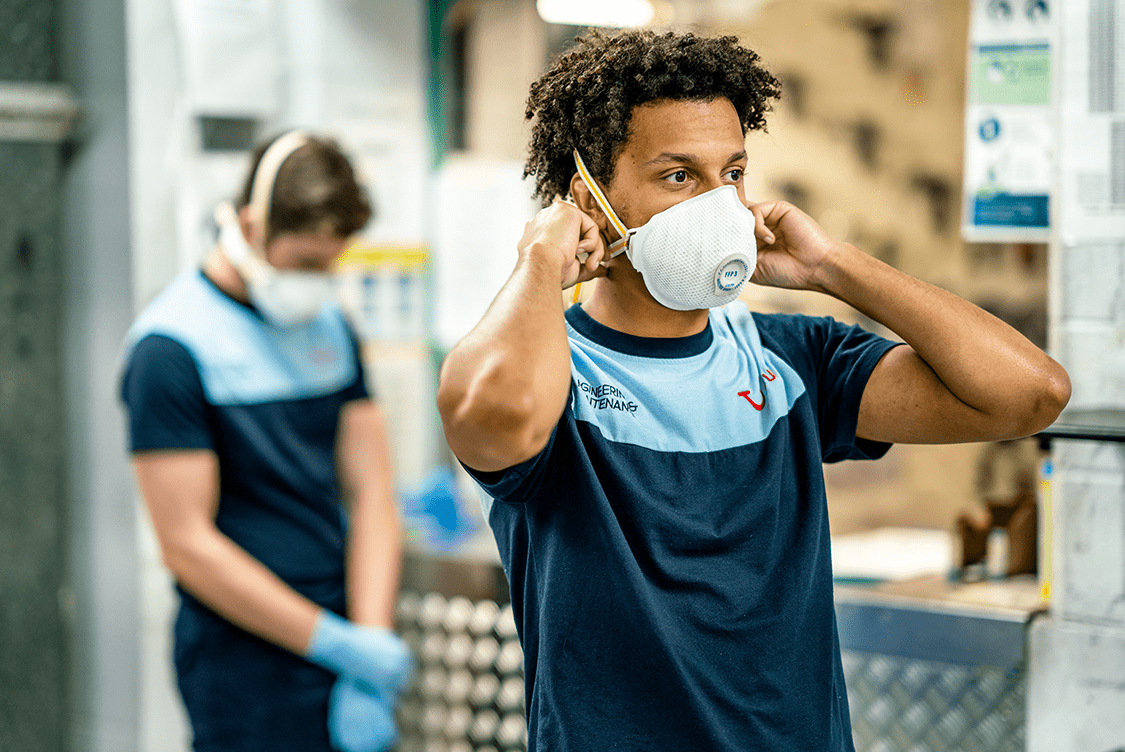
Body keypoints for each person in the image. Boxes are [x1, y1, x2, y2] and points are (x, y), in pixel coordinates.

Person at [436, 29, 1071, 752]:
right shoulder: (551, 372)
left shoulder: (791, 359)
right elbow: (496, 416)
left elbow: (1029, 393)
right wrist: (543, 256)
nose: (719, 204)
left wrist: (833, 265)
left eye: (731, 173)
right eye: (679, 176)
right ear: (590, 197)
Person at [120, 131, 413, 752]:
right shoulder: (171, 348)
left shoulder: (331, 326)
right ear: (251, 227)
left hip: (348, 637)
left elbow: (371, 490)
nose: (322, 280)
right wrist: (332, 643)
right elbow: (187, 545)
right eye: (307, 262)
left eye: (332, 262)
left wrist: (369, 644)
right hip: (242, 660)